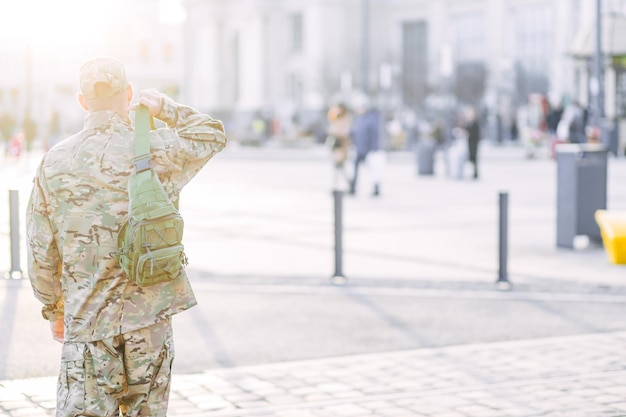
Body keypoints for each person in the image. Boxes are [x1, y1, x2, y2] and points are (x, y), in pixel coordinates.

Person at [26, 57, 227, 417]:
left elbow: (40, 252)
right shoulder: (154, 148)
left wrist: (54, 309)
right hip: (148, 323)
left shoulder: (53, 162)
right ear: (129, 95)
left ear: (82, 101)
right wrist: (164, 107)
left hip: (87, 327)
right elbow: (212, 134)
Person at [349, 96, 381, 196]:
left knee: (372, 169)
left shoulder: (371, 119)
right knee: (355, 168)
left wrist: (373, 148)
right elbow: (357, 133)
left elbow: (374, 135)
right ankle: (353, 187)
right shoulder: (360, 119)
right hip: (360, 149)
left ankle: (376, 188)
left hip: (369, 150)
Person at [326, 102, 352, 189]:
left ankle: (348, 183)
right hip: (335, 145)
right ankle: (337, 184)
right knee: (336, 166)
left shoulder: (346, 119)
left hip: (341, 145)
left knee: (341, 166)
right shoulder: (335, 118)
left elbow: (344, 132)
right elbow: (330, 119)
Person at [464, 106, 481, 179]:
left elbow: (475, 133)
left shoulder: (475, 123)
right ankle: (473, 173)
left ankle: (475, 173)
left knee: (474, 158)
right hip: (470, 143)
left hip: (474, 143)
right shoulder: (469, 123)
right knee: (471, 159)